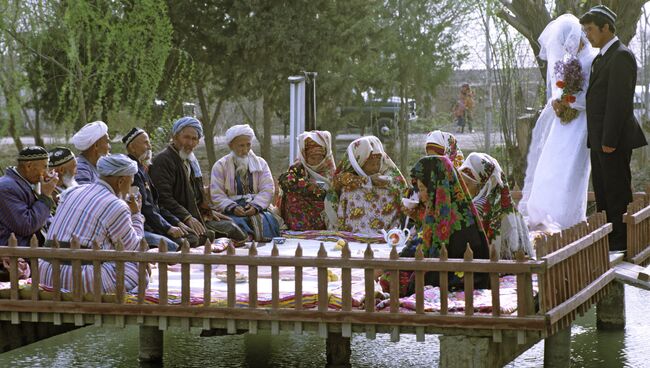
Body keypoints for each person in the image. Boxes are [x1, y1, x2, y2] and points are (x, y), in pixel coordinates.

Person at [518, 14, 597, 232]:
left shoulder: (593, 58)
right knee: (552, 165)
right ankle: (544, 213)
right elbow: (559, 88)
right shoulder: (567, 62)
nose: (568, 45)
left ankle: (568, 218)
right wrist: (558, 101)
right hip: (562, 123)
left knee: (573, 168)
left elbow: (592, 92)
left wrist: (570, 102)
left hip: (581, 122)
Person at [580, 6, 648, 251]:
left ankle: (621, 240)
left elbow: (618, 102)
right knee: (602, 189)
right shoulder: (601, 58)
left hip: (613, 139)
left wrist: (609, 139)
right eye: (585, 30)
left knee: (616, 189)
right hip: (598, 138)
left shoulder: (621, 55)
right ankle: (608, 236)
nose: (588, 35)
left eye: (590, 29)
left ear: (606, 28)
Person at [379, 155, 490, 296]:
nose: (420, 196)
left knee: (390, 279)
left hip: (456, 278)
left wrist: (388, 268)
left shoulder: (453, 215)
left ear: (436, 187)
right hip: (439, 269)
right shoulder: (439, 210)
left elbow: (426, 249)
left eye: (423, 189)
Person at [39, 154, 146, 293]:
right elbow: (135, 250)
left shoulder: (72, 191)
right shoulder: (116, 205)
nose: (129, 188)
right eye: (130, 183)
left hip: (46, 273)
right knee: (138, 267)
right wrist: (136, 215)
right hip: (78, 278)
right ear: (121, 181)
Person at [150, 117, 246, 245]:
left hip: (197, 215)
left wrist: (209, 211)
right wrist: (187, 217)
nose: (190, 143)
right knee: (218, 234)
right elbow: (163, 198)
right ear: (174, 137)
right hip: (174, 218)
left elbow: (197, 195)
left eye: (194, 139)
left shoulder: (190, 160)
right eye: (186, 137)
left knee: (235, 227)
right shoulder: (163, 160)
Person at [123, 127, 197, 251]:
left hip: (156, 223)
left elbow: (157, 206)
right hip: (144, 226)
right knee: (184, 243)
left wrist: (177, 222)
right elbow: (145, 208)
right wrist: (168, 228)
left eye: (149, 143)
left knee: (193, 236)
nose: (149, 147)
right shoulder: (132, 171)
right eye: (145, 143)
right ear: (132, 147)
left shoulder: (142, 168)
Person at [210, 124, 280, 242]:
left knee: (267, 222)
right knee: (234, 225)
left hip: (257, 208)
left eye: (248, 144)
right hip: (231, 210)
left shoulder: (261, 163)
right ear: (231, 145)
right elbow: (216, 194)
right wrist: (233, 207)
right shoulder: (220, 165)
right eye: (241, 145)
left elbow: (267, 188)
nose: (245, 149)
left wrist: (255, 206)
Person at [326, 136, 407, 235]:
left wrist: (388, 184)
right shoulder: (348, 174)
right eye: (371, 164)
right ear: (359, 163)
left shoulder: (385, 170)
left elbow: (401, 186)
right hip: (353, 232)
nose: (376, 167)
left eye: (378, 163)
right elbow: (338, 181)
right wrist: (367, 180)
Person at [459, 152, 532, 259]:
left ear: (481, 184)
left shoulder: (477, 206)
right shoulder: (507, 205)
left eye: (467, 184)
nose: (464, 188)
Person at [0, 147, 57, 281]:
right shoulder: (6, 188)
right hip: (14, 262)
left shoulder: (24, 184)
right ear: (29, 166)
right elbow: (27, 225)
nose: (47, 172)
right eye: (45, 166)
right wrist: (45, 197)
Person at [278, 131, 336, 230]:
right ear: (305, 156)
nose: (317, 162)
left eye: (320, 158)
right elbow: (285, 181)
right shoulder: (299, 167)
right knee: (292, 195)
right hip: (301, 212)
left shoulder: (329, 169)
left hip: (322, 212)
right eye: (312, 158)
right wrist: (308, 185)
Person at [48, 147, 78, 213]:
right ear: (62, 170)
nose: (76, 172)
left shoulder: (62, 186)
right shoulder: (50, 194)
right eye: (75, 167)